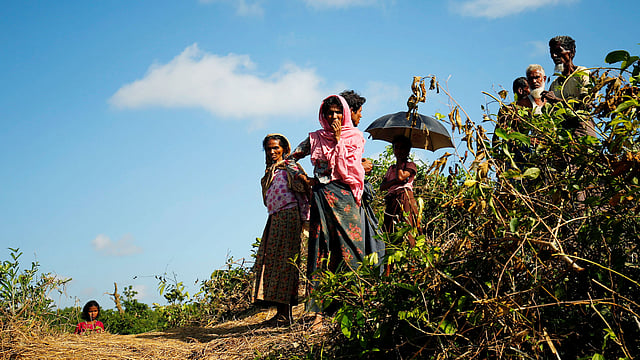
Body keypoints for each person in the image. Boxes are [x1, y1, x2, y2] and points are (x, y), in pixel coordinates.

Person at [289, 94, 366, 328]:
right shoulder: (315, 138)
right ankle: (317, 313)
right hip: (321, 195)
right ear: (323, 115)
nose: (333, 117)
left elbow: (351, 168)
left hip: (346, 197)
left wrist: (339, 139)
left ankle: (354, 305)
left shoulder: (355, 137)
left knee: (353, 248)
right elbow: (291, 158)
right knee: (320, 249)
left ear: (344, 114)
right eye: (328, 113)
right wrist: (304, 177)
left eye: (337, 112)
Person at [253, 133, 310, 326]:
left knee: (285, 264)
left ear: (284, 149)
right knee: (273, 264)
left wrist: (305, 220)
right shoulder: (271, 172)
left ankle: (286, 314)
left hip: (289, 217)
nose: (272, 152)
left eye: (276, 148)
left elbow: (304, 193)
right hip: (275, 218)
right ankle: (281, 313)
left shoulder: (290, 168)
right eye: (269, 148)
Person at [339, 90, 385, 264]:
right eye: (359, 111)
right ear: (350, 111)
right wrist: (360, 167)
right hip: (349, 198)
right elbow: (339, 167)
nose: (361, 115)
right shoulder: (344, 137)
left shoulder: (340, 136)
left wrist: (360, 165)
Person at [543, 35, 597, 138]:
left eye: (558, 51)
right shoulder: (555, 84)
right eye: (552, 53)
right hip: (563, 133)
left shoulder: (582, 73)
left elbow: (585, 104)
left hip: (582, 128)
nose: (554, 56)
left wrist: (555, 100)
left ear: (571, 52)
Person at [380, 135, 420, 247]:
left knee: (407, 227)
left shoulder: (410, 165)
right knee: (389, 231)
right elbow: (382, 186)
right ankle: (389, 261)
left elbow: (401, 177)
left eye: (402, 148)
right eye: (396, 148)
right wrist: (394, 181)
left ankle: (410, 259)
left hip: (405, 197)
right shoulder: (391, 168)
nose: (399, 151)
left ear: (408, 151)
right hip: (392, 199)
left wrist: (399, 162)